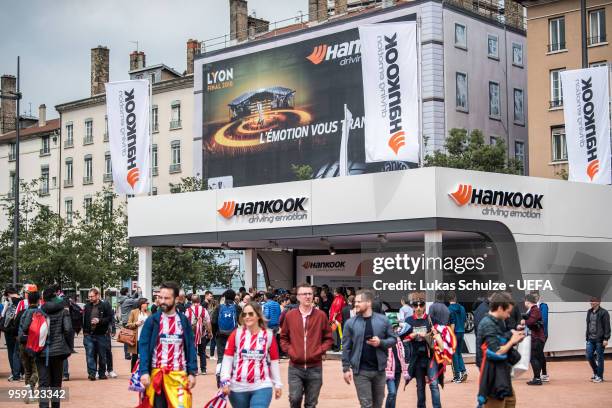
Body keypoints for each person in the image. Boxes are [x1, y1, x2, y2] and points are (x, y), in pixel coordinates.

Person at [139, 282, 197, 408]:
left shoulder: (183, 321)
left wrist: (192, 372)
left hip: (179, 377)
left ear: (176, 299)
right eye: (160, 297)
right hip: (157, 376)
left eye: (166, 298)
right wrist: (144, 371)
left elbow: (191, 347)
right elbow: (143, 346)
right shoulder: (152, 320)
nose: (162, 301)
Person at [280, 283, 334, 408]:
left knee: (311, 403)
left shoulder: (321, 316)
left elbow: (328, 338)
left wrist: (319, 350)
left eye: (310, 294)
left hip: (315, 367)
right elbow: (283, 337)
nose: (307, 296)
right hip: (295, 367)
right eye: (304, 294)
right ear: (298, 297)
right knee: (294, 398)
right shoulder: (290, 315)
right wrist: (290, 351)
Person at [220, 301, 283, 407]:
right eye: (244, 314)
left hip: (262, 385)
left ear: (258, 316)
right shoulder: (236, 334)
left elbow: (274, 361)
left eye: (250, 314)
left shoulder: (268, 335)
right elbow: (227, 359)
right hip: (237, 387)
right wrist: (224, 380)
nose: (247, 317)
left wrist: (277, 384)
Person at [342, 289, 396, 408]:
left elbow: (393, 339)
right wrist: (345, 368)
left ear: (369, 303)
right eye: (355, 301)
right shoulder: (350, 323)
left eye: (359, 302)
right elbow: (346, 347)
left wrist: (380, 342)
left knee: (378, 404)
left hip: (379, 371)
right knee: (366, 405)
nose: (356, 304)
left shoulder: (383, 320)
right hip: (360, 371)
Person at [476, 292, 526, 408]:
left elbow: (499, 339)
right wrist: (512, 340)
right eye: (508, 312)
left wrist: (511, 335)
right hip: (493, 376)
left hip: (500, 373)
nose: (509, 316)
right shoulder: (488, 324)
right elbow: (496, 351)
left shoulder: (496, 322)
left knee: (510, 402)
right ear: (499, 308)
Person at [30, 288, 73, 408]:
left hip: (41, 351)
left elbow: (30, 330)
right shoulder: (63, 311)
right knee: (56, 384)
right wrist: (68, 347)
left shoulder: (38, 311)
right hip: (58, 352)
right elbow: (68, 330)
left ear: (43, 298)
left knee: (43, 383)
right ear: (55, 297)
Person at [403, 295, 445, 408]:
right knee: (420, 387)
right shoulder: (409, 321)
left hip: (430, 357)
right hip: (417, 359)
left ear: (425, 305)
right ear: (412, 306)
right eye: (415, 305)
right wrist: (411, 336)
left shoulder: (431, 320)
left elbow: (442, 334)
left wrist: (431, 334)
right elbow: (402, 339)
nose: (418, 307)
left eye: (421, 305)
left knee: (434, 385)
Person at [82, 288, 113, 381]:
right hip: (88, 334)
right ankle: (92, 373)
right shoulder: (87, 306)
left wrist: (99, 321)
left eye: (92, 296)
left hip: (101, 334)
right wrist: (84, 332)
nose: (90, 298)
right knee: (90, 354)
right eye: (89, 297)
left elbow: (109, 318)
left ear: (98, 295)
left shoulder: (105, 305)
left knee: (102, 355)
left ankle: (102, 373)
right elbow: (84, 319)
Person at [211, 289, 241, 384]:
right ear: (234, 297)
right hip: (233, 336)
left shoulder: (219, 307)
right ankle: (232, 376)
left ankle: (219, 374)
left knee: (220, 356)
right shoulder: (237, 307)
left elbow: (214, 322)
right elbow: (241, 322)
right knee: (233, 355)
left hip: (220, 335)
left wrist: (215, 333)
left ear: (225, 297)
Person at [17, 290, 40, 388]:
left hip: (22, 343)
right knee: (36, 370)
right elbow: (27, 327)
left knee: (27, 370)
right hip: (33, 344)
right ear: (39, 300)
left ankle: (29, 394)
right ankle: (31, 384)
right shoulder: (38, 312)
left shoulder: (24, 312)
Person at [521, 294, 545, 386]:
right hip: (536, 337)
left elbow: (532, 321)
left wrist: (524, 321)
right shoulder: (534, 310)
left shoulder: (535, 309)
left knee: (534, 358)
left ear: (527, 301)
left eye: (525, 301)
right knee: (535, 358)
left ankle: (537, 378)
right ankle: (537, 377)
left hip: (537, 338)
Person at [185, 294, 212, 375]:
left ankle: (194, 370)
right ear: (200, 300)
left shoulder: (188, 310)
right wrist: (210, 332)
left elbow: (185, 323)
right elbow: (208, 322)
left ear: (191, 301)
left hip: (191, 334)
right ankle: (203, 369)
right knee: (202, 352)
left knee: (193, 352)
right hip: (202, 334)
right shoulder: (204, 310)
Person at [585, 296, 610, 383]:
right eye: (591, 301)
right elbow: (588, 325)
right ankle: (596, 372)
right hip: (590, 339)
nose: (592, 303)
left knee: (600, 358)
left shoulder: (604, 312)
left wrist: (606, 338)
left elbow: (607, 326)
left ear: (599, 302)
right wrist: (587, 336)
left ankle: (600, 376)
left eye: (594, 301)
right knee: (589, 356)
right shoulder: (589, 312)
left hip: (600, 339)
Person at [2, 285, 23, 381]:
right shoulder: (22, 300)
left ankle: (15, 372)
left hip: (10, 330)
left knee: (11, 352)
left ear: (8, 294)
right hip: (21, 330)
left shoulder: (10, 302)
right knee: (20, 351)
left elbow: (7, 317)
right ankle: (22, 372)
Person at [384, 330, 408, 408]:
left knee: (394, 394)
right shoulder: (384, 340)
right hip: (388, 371)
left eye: (395, 328)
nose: (394, 330)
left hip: (398, 370)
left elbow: (407, 327)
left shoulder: (398, 340)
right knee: (392, 392)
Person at [126, 298, 151, 371]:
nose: (147, 305)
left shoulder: (149, 313)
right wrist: (136, 324)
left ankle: (144, 371)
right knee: (135, 356)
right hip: (136, 337)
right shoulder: (134, 312)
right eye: (146, 303)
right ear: (141, 304)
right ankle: (133, 372)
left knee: (145, 356)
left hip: (146, 338)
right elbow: (128, 324)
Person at [447, 291, 467, 383]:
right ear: (455, 298)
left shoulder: (449, 309)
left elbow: (452, 323)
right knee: (459, 353)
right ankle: (463, 371)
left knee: (454, 354)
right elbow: (464, 320)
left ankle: (457, 375)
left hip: (454, 332)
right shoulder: (462, 308)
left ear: (448, 299)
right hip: (462, 331)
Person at [531, 291, 549, 382]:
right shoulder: (531, 307)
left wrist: (533, 322)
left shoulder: (543, 306)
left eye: (535, 295)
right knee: (539, 353)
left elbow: (544, 320)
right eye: (532, 295)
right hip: (534, 334)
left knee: (538, 354)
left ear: (539, 296)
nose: (534, 297)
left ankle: (542, 375)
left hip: (542, 334)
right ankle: (543, 374)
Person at [118, 287, 140, 360]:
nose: (129, 293)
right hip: (128, 321)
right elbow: (137, 301)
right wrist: (140, 293)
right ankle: (129, 354)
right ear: (126, 292)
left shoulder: (123, 299)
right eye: (128, 292)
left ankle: (127, 355)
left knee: (126, 337)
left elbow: (132, 297)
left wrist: (135, 293)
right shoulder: (127, 300)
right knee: (129, 338)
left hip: (125, 320)